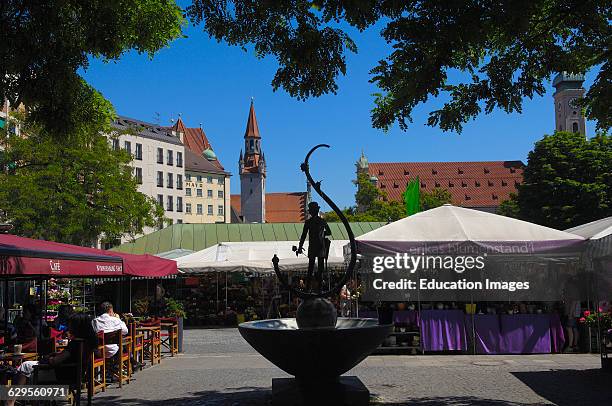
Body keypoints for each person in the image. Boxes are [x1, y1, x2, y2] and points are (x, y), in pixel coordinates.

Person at [7, 313, 98, 406]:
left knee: (25, 367)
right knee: (27, 369)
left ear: (76, 327)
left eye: (70, 325)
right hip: (74, 375)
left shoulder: (75, 344)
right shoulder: (87, 342)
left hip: (62, 375)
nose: (68, 327)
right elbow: (68, 356)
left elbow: (55, 361)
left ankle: (10, 401)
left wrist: (49, 358)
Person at [297, 201, 331, 291]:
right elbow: (329, 232)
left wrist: (300, 247)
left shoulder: (308, 222)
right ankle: (319, 289)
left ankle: (308, 288)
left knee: (311, 268)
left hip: (313, 247)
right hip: (320, 247)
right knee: (319, 269)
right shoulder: (322, 221)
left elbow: (303, 236)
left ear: (311, 212)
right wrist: (322, 234)